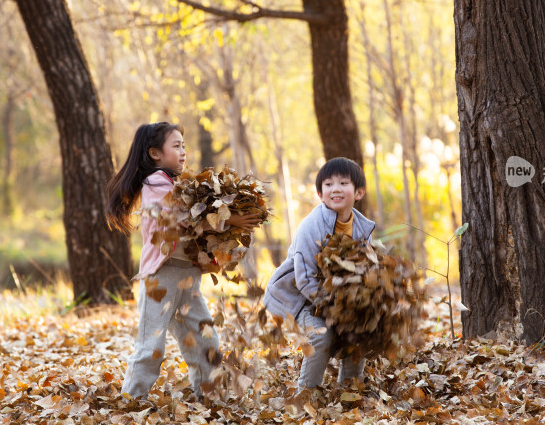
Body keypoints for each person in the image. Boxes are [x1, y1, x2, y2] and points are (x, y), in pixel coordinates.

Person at [106, 122, 260, 399]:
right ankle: (131, 399)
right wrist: (228, 219)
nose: (183, 151)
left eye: (184, 145)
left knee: (206, 339)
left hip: (188, 278)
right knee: (151, 347)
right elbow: (181, 220)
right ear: (155, 153)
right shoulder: (155, 184)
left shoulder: (181, 184)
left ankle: (208, 395)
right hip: (160, 279)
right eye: (176, 146)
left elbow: (196, 220)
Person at [263, 157, 375, 392]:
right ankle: (306, 393)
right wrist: (335, 309)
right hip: (298, 298)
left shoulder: (362, 229)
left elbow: (366, 267)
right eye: (328, 184)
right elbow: (304, 278)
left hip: (334, 300)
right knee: (322, 337)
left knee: (358, 331)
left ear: (359, 192)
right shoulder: (311, 226)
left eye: (344, 183)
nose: (335, 188)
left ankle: (350, 389)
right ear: (319, 193)